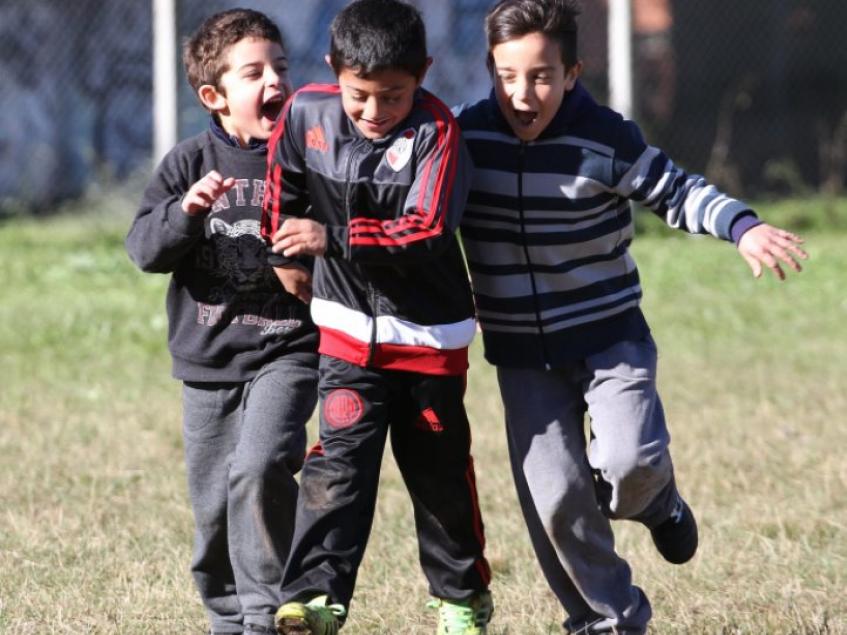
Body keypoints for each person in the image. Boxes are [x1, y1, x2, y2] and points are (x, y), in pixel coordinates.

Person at [454, 1, 808, 633]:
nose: (523, 92)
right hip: (522, 355)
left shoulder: (605, 137)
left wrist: (742, 228)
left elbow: (677, 190)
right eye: (507, 76)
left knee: (629, 464)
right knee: (556, 498)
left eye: (541, 75)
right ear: (489, 69)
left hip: (609, 340)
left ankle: (660, 501)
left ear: (571, 73)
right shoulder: (465, 138)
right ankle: (607, 621)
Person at [260, 1, 493, 633]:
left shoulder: (436, 133)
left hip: (426, 340)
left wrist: (329, 238)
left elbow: (425, 232)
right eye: (359, 94)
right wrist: (279, 244)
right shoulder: (305, 112)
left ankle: (461, 599)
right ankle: (315, 599)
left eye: (392, 95)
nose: (372, 111)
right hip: (345, 337)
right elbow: (282, 184)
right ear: (334, 70)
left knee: (439, 475)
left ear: (424, 75)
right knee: (337, 467)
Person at [125, 10, 319, 634]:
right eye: (254, 72)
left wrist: (321, 240)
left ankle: (267, 616)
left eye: (281, 68)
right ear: (214, 96)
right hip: (207, 360)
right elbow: (144, 251)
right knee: (212, 506)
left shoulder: (308, 157)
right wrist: (185, 213)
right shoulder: (188, 162)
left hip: (287, 347)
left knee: (259, 468)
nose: (274, 82)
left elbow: (342, 238)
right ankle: (227, 619)